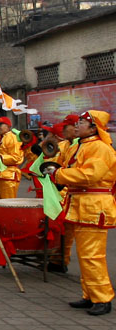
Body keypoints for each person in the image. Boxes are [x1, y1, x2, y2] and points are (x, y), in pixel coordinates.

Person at [53, 110, 116, 316]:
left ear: (93, 127)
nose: (77, 125)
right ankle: (89, 295)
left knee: (93, 256)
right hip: (82, 205)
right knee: (85, 255)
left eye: (82, 122)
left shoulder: (99, 147)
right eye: (78, 122)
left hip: (94, 205)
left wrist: (59, 174)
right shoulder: (80, 146)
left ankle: (102, 298)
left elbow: (90, 175)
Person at [0, 117, 23, 200]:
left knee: (8, 203)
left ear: (8, 126)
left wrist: (0, 158)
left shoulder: (14, 139)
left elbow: (17, 157)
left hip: (9, 176)